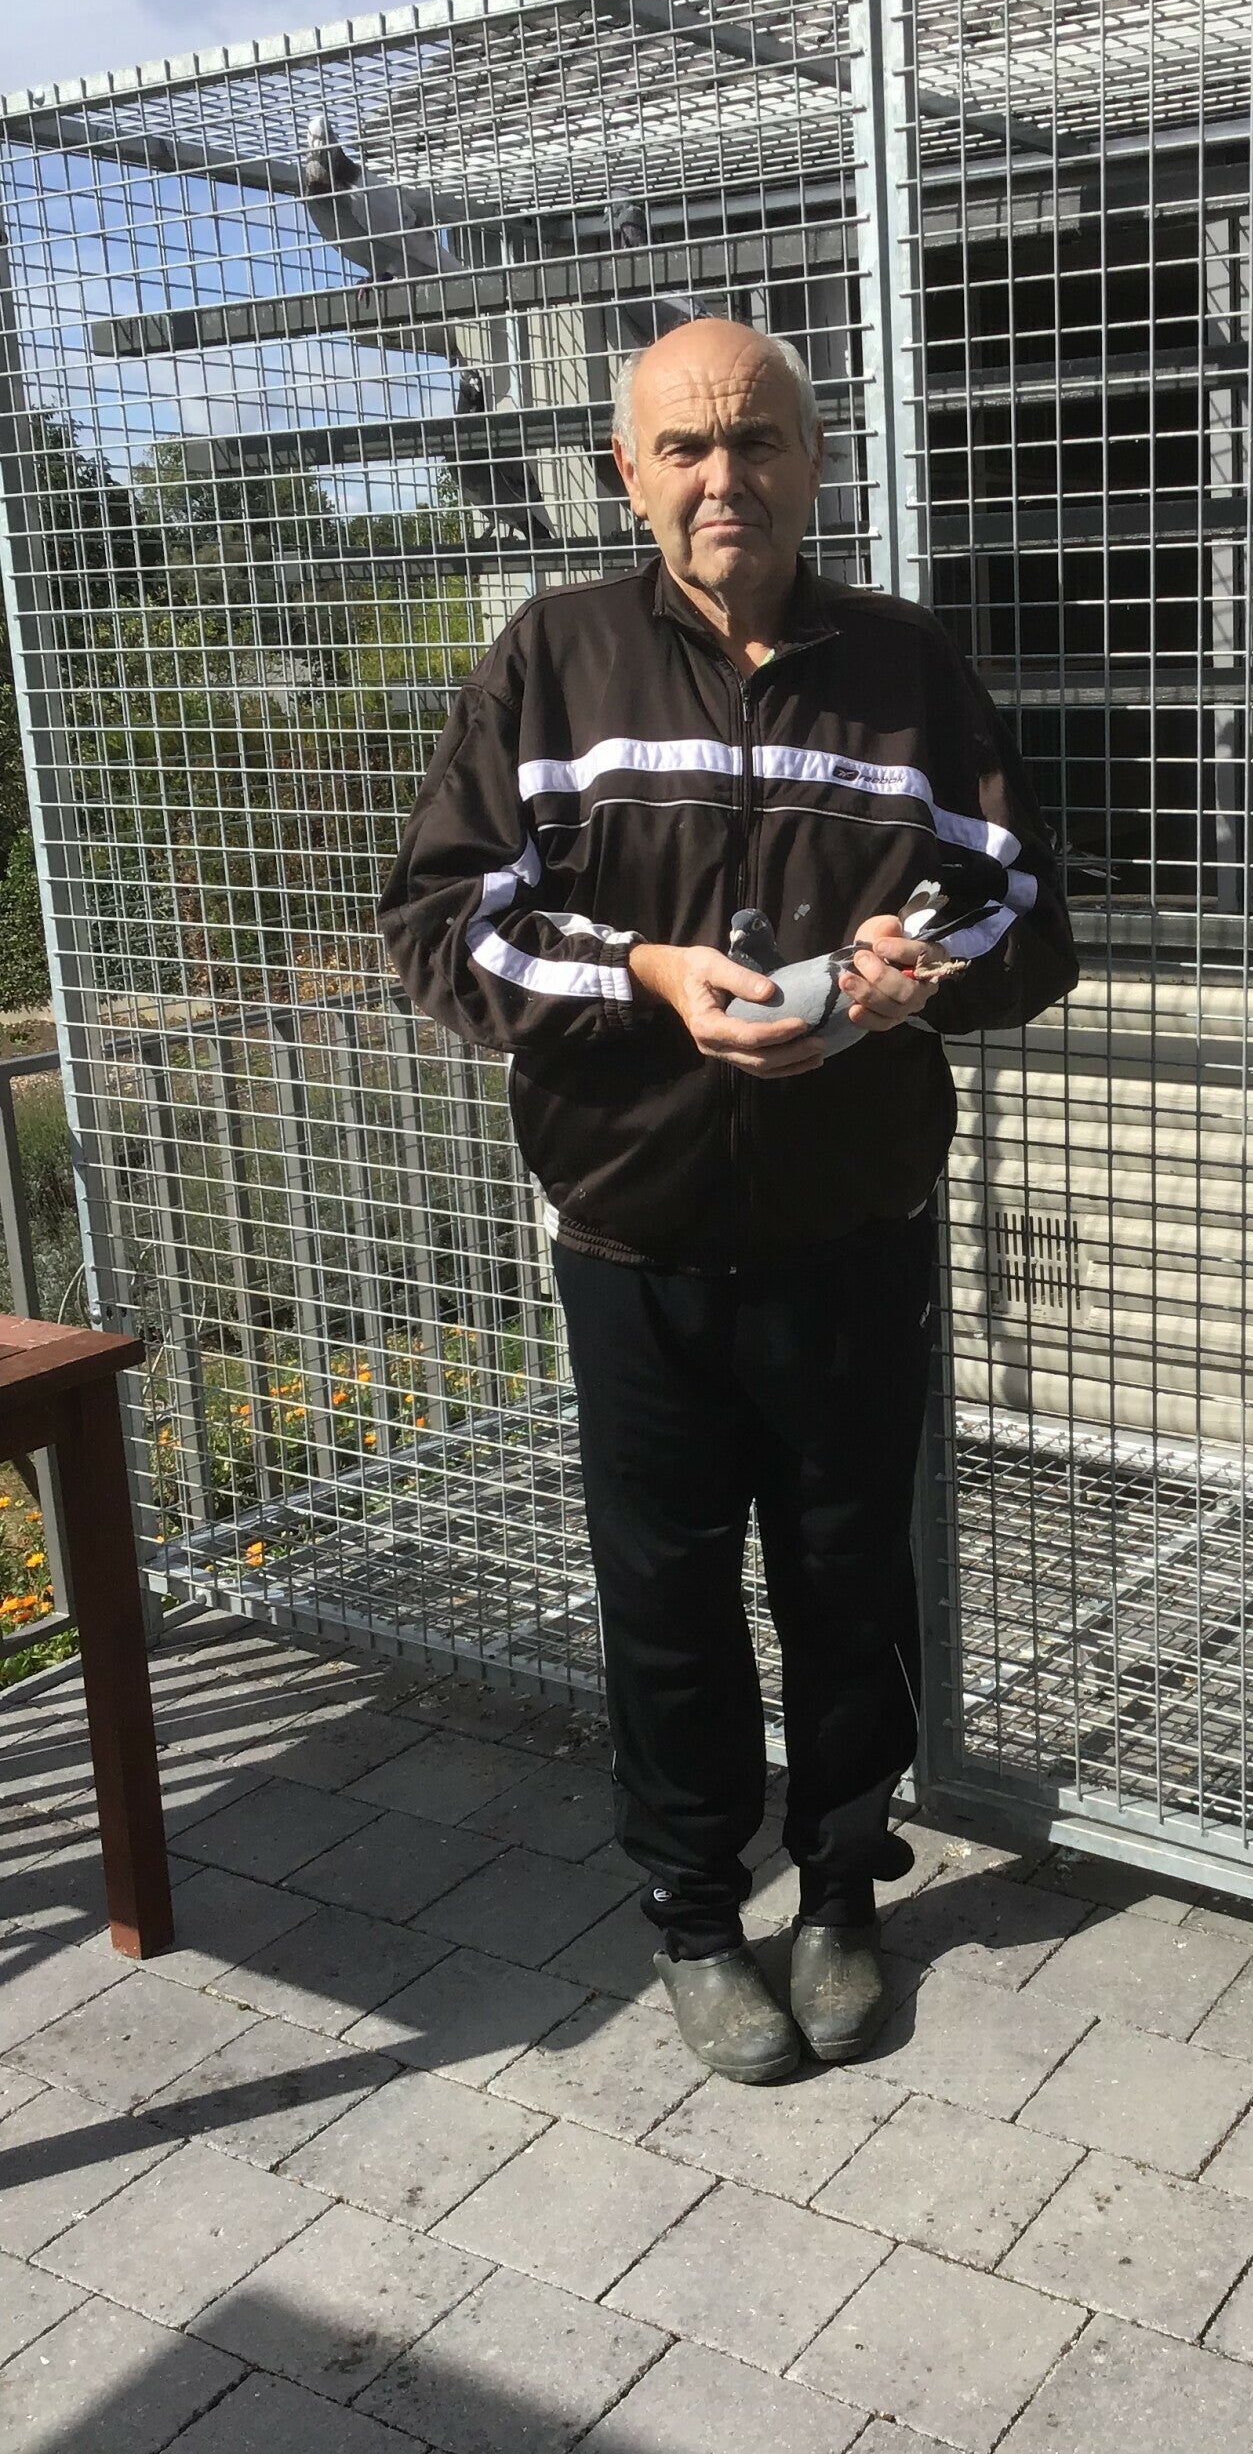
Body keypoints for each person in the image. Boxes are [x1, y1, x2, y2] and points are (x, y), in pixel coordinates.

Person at [379, 318, 1077, 2081]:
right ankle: (696, 1915)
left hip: (852, 1231)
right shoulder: (553, 659)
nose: (723, 477)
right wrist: (647, 976)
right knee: (666, 1600)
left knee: (850, 1582)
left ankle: (841, 1890)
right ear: (627, 474)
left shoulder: (906, 667)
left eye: (756, 440)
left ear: (814, 463)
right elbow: (443, 922)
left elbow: (1025, 908)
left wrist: (918, 971)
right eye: (684, 447)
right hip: (635, 1237)